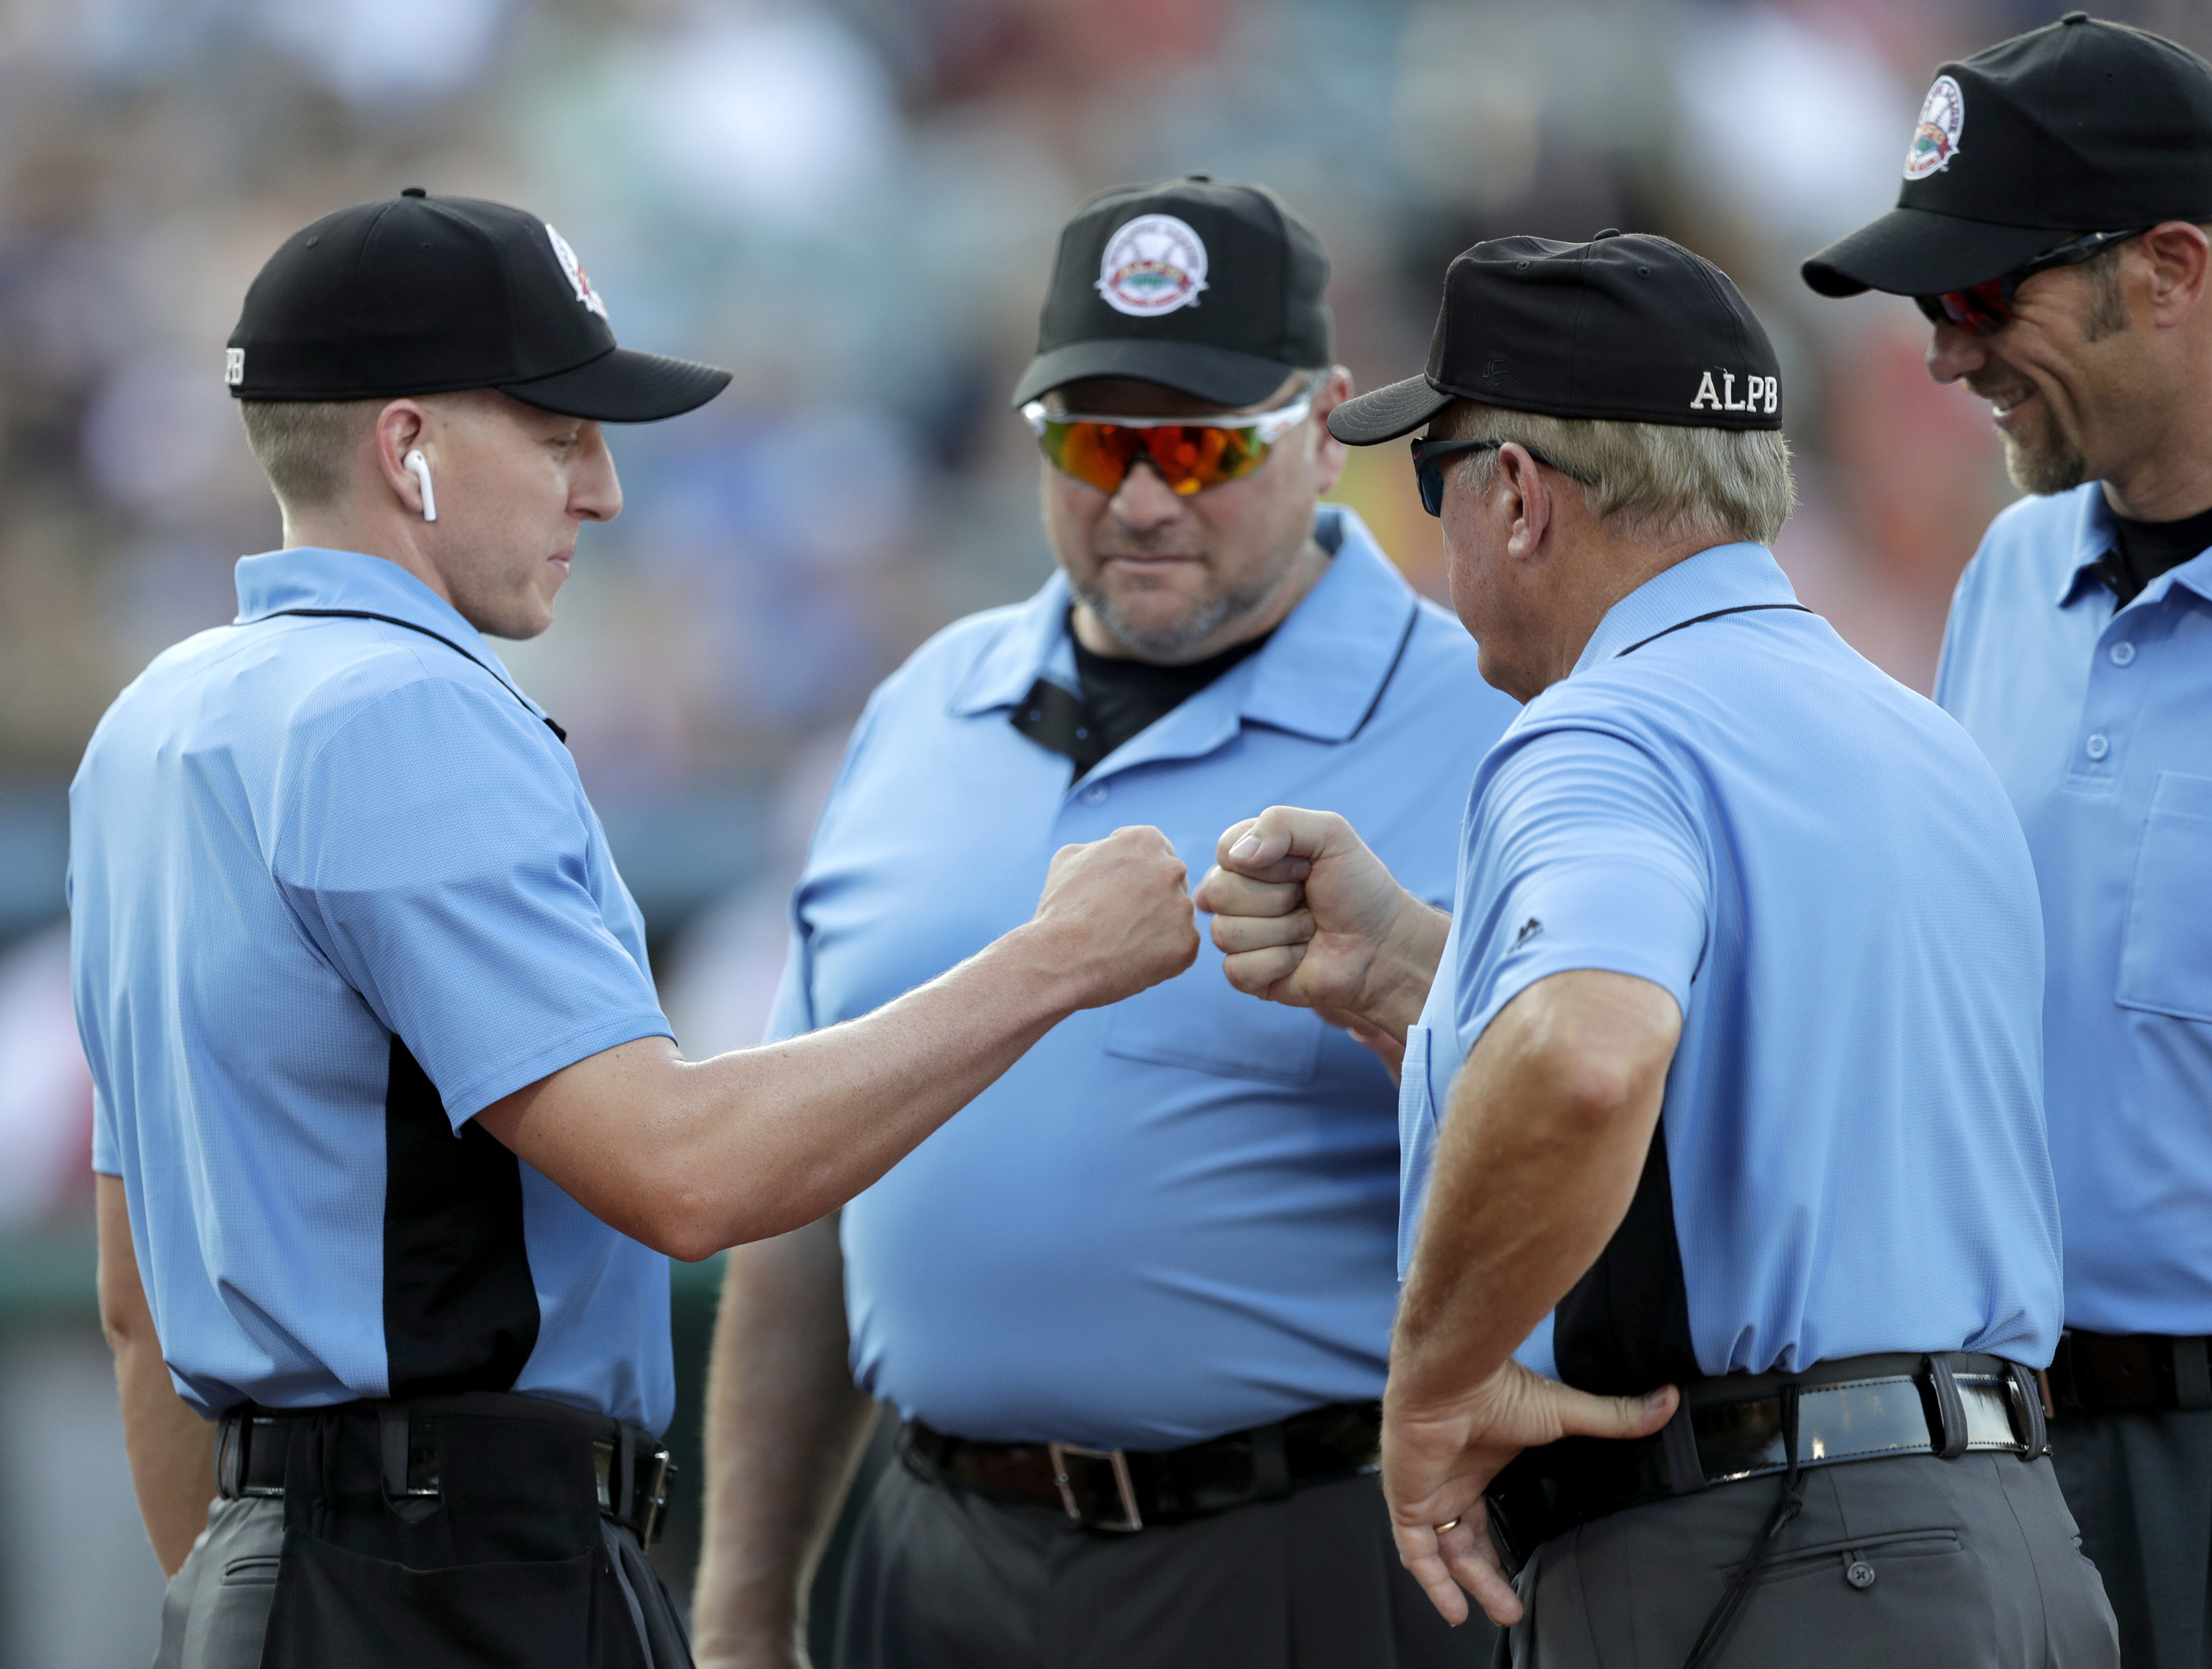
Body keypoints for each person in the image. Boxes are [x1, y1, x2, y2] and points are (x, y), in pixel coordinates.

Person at [70, 190, 1200, 1669]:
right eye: (557, 435)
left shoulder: (150, 725)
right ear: (406, 449)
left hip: (281, 1574)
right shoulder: (404, 711)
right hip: (468, 1571)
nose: (600, 489)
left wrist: (256, 1611)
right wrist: (1059, 959)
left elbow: (137, 1309)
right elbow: (685, 1170)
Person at [1199, 229, 2119, 1666]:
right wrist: (1409, 975)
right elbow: (1760, 1083)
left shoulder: (1599, 727)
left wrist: (1435, 1380)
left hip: (1766, 1548)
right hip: (2003, 1535)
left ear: (1516, 494)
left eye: (1436, 473)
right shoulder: (1914, 732)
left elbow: (1583, 1055)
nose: (1428, 524)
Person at [687, 176, 1517, 1669]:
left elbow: (1625, 1126)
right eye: (1091, 440)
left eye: (1199, 442)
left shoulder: (1481, 715)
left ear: (1323, 424)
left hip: (1295, 1551)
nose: (1140, 496)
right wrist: (745, 1609)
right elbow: (802, 1197)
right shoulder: (921, 705)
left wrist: (1412, 984)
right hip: (925, 1549)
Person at [1806, 18, 2212, 1663]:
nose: (1943, 355)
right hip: (2004, 1449)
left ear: (2171, 268)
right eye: (1928, 306)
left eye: (1983, 300)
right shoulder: (2007, 581)